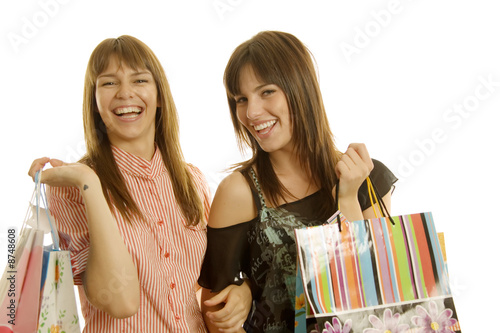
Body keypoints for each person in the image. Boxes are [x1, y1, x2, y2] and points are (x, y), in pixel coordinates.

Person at [28, 35, 249, 332]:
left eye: (140, 80)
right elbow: (120, 303)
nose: (125, 93)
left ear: (159, 96)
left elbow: (206, 286)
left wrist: (243, 291)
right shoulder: (72, 187)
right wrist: (89, 182)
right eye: (109, 83)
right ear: (94, 102)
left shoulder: (193, 180)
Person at [198, 31, 398, 332]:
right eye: (241, 99)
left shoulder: (365, 177)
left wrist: (347, 201)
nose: (251, 113)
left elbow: (380, 291)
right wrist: (251, 287)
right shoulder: (239, 193)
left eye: (266, 92)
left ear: (301, 89)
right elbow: (217, 315)